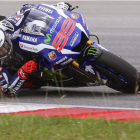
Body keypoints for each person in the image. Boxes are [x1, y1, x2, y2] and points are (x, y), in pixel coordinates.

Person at [0, 2, 72, 97]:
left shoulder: (6, 26)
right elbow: (8, 89)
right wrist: (23, 71)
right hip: (22, 72)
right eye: (0, 52)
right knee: (31, 83)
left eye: (4, 46)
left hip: (25, 47)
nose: (4, 51)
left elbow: (28, 9)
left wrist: (57, 9)